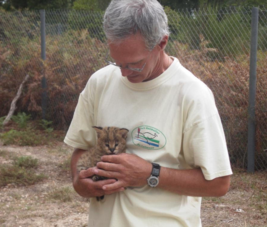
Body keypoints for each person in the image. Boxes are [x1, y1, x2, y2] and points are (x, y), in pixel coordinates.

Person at [64, 0, 233, 226]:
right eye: (117, 62)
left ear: (162, 42)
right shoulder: (100, 82)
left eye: (134, 64)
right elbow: (81, 148)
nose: (123, 74)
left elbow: (219, 183)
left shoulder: (192, 95)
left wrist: (149, 174)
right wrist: (79, 181)